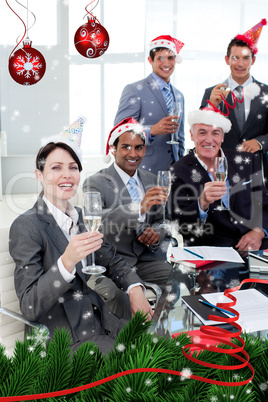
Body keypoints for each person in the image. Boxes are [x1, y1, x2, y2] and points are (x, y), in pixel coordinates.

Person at [9, 118, 153, 355]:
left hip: (106, 325)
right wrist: (66, 262)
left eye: (73, 167)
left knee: (167, 341)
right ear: (39, 174)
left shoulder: (85, 218)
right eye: (56, 168)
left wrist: (136, 288)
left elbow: (113, 260)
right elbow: (30, 306)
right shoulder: (27, 226)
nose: (66, 175)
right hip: (65, 343)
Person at [82, 117, 173, 309]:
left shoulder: (151, 179)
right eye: (126, 147)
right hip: (113, 263)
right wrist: (138, 207)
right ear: (113, 149)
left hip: (147, 260)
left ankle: (163, 333)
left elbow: (165, 221)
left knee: (178, 280)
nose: (133, 153)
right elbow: (98, 223)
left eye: (139, 147)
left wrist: (156, 234)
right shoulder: (96, 182)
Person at [170, 108, 268, 250]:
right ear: (192, 135)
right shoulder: (178, 170)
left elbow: (265, 204)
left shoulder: (247, 160)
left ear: (222, 136)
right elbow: (179, 223)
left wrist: (259, 231)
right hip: (211, 249)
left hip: (255, 244)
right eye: (202, 132)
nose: (209, 140)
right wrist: (201, 203)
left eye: (215, 133)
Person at [114, 35, 185, 174]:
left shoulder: (179, 95)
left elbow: (180, 136)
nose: (166, 63)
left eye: (170, 58)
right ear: (150, 60)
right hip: (145, 169)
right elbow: (120, 129)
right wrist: (152, 130)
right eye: (160, 58)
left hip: (174, 171)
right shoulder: (135, 90)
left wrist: (182, 163)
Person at [200, 19, 268, 161]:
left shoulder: (266, 92)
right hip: (221, 166)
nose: (240, 64)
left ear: (253, 61)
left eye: (246, 58)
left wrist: (260, 143)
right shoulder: (211, 92)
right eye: (235, 58)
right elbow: (200, 132)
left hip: (257, 167)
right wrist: (211, 105)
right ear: (227, 59)